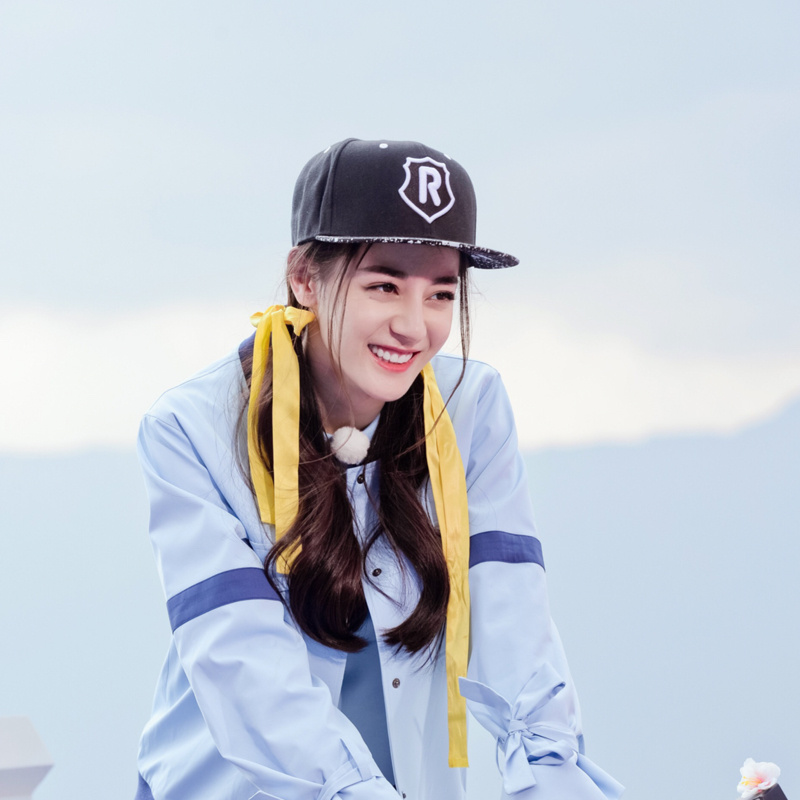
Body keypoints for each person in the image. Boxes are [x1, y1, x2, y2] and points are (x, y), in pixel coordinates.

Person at [134, 138, 623, 800]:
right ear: (305, 278)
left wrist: (552, 778)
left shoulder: (471, 409)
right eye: (384, 285)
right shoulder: (192, 428)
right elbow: (244, 666)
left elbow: (518, 634)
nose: (414, 327)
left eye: (441, 294)